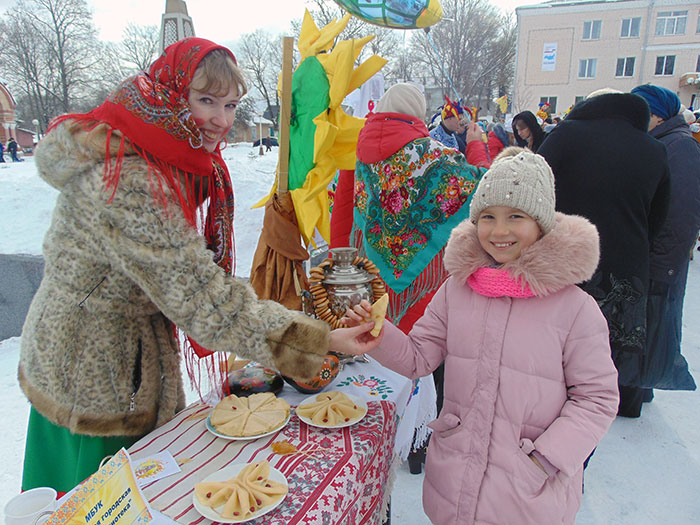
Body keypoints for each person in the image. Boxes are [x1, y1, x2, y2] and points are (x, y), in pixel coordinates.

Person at [19, 37, 379, 493]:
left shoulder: (152, 153)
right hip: (96, 378)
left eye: (230, 105)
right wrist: (318, 339)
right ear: (168, 95)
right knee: (94, 502)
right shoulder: (132, 180)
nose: (221, 120)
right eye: (205, 100)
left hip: (87, 356)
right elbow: (203, 299)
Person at [338, 148, 619, 524]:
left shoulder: (575, 309)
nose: (499, 231)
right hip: (454, 479)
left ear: (542, 224)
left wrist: (544, 458)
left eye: (515, 216)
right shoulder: (457, 289)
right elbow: (420, 357)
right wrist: (380, 335)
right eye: (488, 217)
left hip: (526, 493)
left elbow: (596, 398)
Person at [538, 88, 671, 418]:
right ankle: (602, 408)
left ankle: (552, 407)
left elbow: (534, 193)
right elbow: (659, 217)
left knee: (554, 343)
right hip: (625, 267)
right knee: (606, 352)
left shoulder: (565, 135)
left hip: (563, 260)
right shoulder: (654, 149)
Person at [630, 84, 698, 391]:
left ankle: (642, 388)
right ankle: (639, 386)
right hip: (655, 257)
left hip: (661, 261)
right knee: (647, 329)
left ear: (656, 115)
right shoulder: (664, 141)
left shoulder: (679, 146)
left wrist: (662, 267)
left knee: (655, 328)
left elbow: (681, 213)